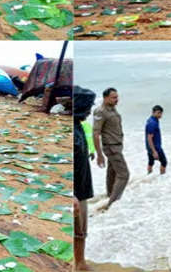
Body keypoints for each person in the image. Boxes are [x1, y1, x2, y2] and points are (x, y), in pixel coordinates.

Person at [92, 87, 127, 210]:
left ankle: (109, 195)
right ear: (105, 98)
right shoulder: (100, 112)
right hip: (111, 147)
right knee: (124, 174)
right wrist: (99, 154)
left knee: (112, 173)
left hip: (117, 145)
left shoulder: (112, 109)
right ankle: (112, 204)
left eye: (117, 97)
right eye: (113, 97)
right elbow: (96, 133)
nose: (117, 100)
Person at [73, 86, 96, 271]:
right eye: (87, 107)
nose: (89, 111)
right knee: (77, 231)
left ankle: (81, 263)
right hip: (76, 192)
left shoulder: (80, 126)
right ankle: (78, 264)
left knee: (82, 232)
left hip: (83, 189)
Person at [145, 105, 166, 175]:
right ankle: (162, 177)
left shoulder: (153, 120)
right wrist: (154, 151)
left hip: (150, 147)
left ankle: (148, 175)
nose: (160, 115)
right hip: (155, 148)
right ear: (153, 112)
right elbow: (149, 138)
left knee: (151, 162)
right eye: (158, 113)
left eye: (161, 113)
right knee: (164, 161)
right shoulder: (152, 123)